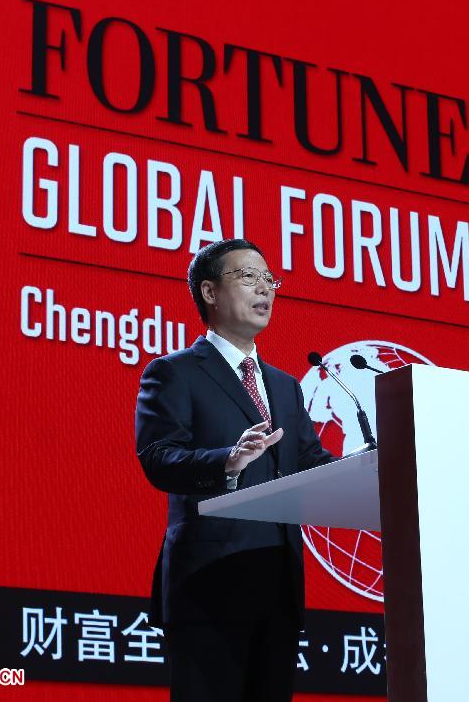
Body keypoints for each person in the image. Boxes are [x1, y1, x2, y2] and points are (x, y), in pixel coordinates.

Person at [135, 238, 335, 702]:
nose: (264, 288)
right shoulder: (174, 372)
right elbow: (159, 458)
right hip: (210, 585)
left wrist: (373, 466)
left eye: (270, 279)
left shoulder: (285, 386)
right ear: (209, 292)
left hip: (277, 587)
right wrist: (226, 460)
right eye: (248, 277)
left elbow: (311, 465)